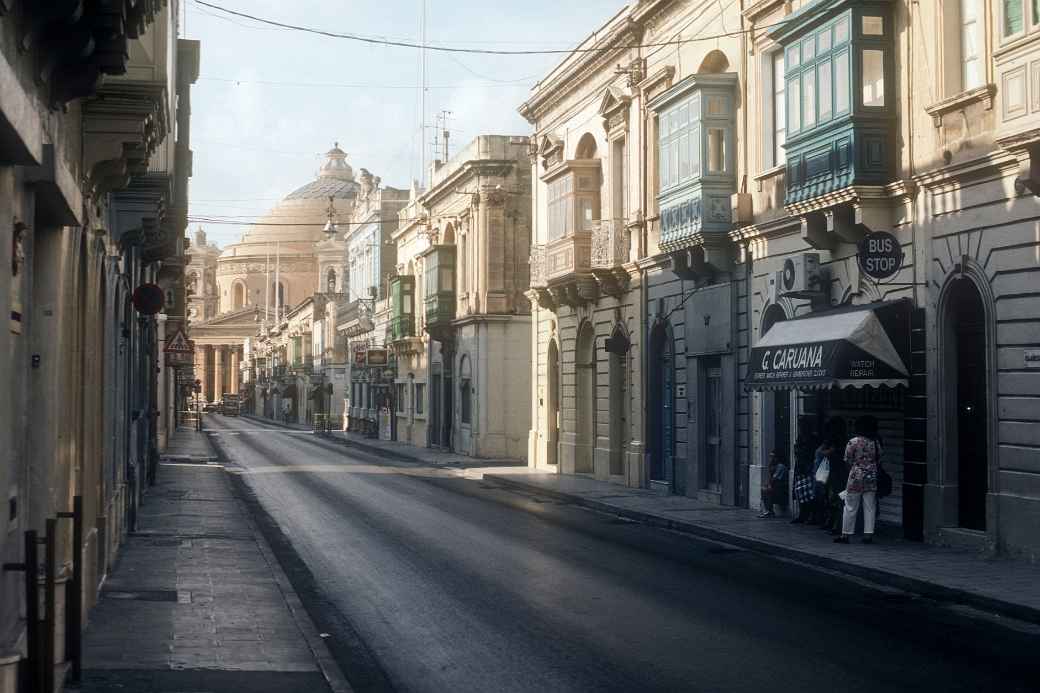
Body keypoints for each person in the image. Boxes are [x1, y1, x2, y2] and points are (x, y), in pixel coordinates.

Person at [835, 415, 881, 544]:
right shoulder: (875, 442)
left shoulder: (853, 442)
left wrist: (853, 470)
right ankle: (868, 535)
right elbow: (879, 458)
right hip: (871, 477)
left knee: (850, 506)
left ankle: (845, 535)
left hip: (856, 477)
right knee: (870, 506)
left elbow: (847, 460)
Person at [791, 420, 819, 524]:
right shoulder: (800, 438)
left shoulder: (812, 438)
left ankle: (811, 515)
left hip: (808, 468)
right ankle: (803, 514)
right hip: (800, 467)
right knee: (800, 491)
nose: (800, 429)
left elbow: (809, 453)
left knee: (809, 492)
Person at [758, 450, 789, 518]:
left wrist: (769, 485)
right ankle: (768, 510)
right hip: (776, 486)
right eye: (770, 456)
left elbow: (775, 478)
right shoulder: (774, 466)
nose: (771, 458)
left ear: (777, 458)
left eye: (772, 456)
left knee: (766, 491)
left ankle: (770, 511)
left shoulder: (781, 466)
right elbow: (771, 478)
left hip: (781, 488)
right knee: (764, 489)